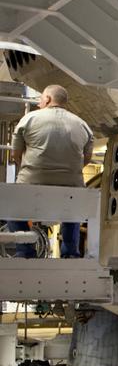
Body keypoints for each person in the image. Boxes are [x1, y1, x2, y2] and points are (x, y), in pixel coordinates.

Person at [7, 85, 94, 258]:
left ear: (47, 99)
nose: (39, 103)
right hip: (71, 187)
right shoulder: (83, 125)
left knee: (11, 207)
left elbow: (15, 155)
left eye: (40, 99)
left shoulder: (29, 119)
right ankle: (70, 252)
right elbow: (87, 159)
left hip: (32, 183)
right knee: (73, 209)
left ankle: (25, 251)